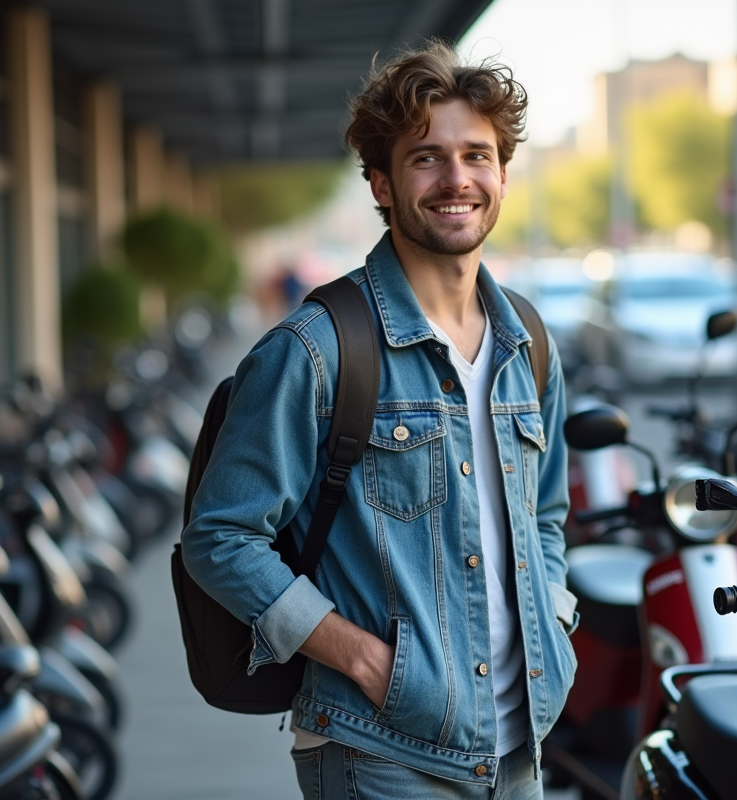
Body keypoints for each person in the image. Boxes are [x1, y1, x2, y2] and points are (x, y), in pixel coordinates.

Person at [181, 40, 576, 799]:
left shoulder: (528, 342)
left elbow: (546, 513)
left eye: (477, 155)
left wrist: (554, 621)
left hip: (519, 743)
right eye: (426, 158)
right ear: (382, 183)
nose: (456, 178)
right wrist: (363, 661)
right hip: (379, 752)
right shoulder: (316, 350)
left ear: (501, 174)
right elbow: (221, 536)